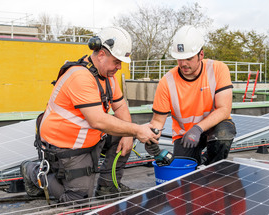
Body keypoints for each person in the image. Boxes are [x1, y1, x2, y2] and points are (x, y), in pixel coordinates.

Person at [20, 26, 159, 203]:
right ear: (101, 54)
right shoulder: (80, 77)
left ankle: (107, 186)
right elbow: (97, 120)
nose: (119, 67)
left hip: (89, 138)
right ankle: (32, 171)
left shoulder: (108, 77)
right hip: (65, 145)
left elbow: (121, 106)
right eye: (116, 62)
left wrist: (129, 135)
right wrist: (137, 131)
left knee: (126, 131)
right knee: (77, 200)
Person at [149, 25, 236, 166]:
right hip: (185, 134)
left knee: (223, 135)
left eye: (188, 58)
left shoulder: (217, 69)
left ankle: (211, 169)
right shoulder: (167, 81)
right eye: (179, 59)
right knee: (184, 168)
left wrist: (198, 128)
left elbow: (224, 109)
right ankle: (200, 165)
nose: (183, 64)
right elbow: (158, 121)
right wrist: (151, 138)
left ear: (200, 55)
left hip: (213, 126)